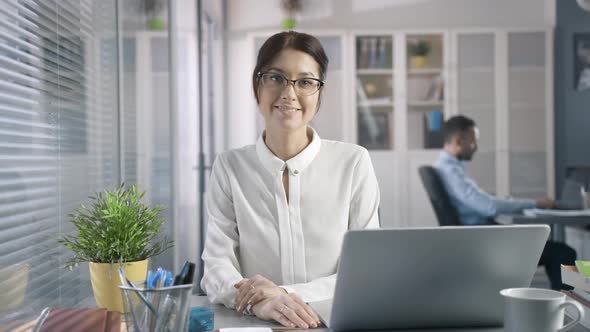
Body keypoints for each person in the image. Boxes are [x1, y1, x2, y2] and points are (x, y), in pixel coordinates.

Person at [200, 31, 380, 328]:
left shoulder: (353, 162)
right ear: (257, 86)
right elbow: (217, 268)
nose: (289, 93)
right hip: (256, 325)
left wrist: (282, 295)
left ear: (320, 92)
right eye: (276, 78)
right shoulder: (230, 166)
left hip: (333, 322)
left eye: (306, 82)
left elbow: (367, 270)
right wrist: (259, 302)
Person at [435, 115, 576, 290]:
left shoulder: (449, 168)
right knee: (564, 253)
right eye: (473, 142)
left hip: (486, 239)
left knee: (558, 250)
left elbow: (482, 202)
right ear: (458, 140)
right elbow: (489, 206)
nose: (476, 147)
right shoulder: (451, 172)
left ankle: (565, 304)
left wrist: (510, 202)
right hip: (488, 245)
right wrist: (534, 203)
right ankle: (570, 307)